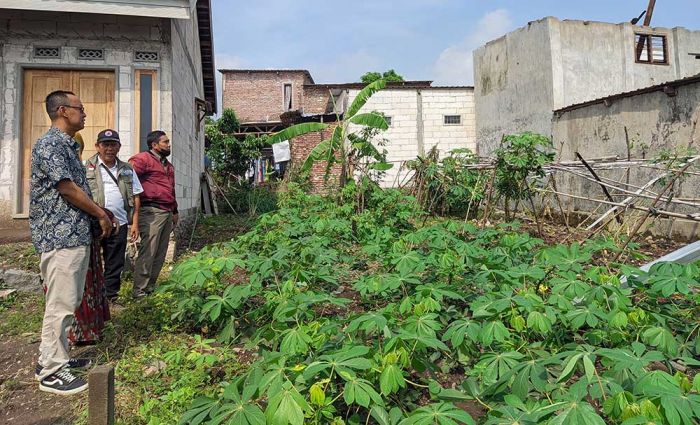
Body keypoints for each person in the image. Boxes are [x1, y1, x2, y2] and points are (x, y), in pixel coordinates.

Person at [30, 90, 115, 395]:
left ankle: (52, 359)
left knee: (66, 301)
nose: (85, 113)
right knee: (62, 304)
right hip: (60, 236)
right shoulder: (51, 144)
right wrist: (101, 215)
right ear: (63, 111)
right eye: (81, 108)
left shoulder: (67, 146)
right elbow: (67, 189)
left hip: (72, 234)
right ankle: (52, 372)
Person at [85, 129, 143, 302]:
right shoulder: (86, 167)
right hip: (93, 222)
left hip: (120, 223)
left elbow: (136, 195)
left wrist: (135, 223)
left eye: (113, 145)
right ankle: (91, 296)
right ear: (97, 146)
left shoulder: (127, 169)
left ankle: (110, 296)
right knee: (90, 261)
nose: (109, 148)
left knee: (115, 261)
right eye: (105, 144)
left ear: (119, 147)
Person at [129, 130, 178, 298]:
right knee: (148, 251)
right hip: (150, 211)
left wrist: (175, 211)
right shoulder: (142, 160)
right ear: (154, 145)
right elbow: (128, 177)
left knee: (160, 252)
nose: (168, 144)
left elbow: (171, 189)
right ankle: (139, 291)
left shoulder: (168, 166)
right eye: (165, 142)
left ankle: (150, 287)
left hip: (167, 211)